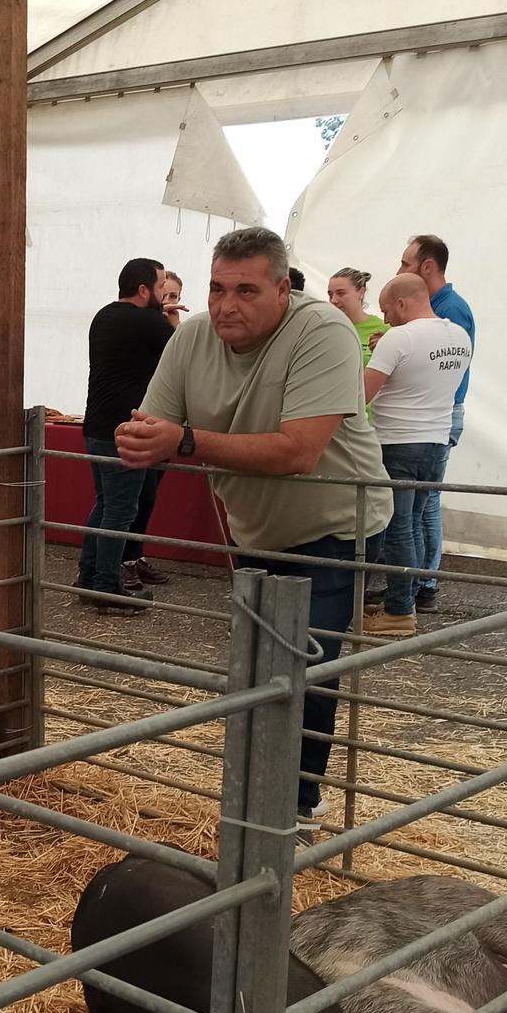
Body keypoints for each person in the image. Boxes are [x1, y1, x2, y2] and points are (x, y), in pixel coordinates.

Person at [115, 226, 389, 829]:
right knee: (257, 665)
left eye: (244, 290)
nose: (224, 306)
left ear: (284, 288)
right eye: (216, 288)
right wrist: (139, 435)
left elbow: (299, 451)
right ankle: (256, 794)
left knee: (304, 667)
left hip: (334, 524)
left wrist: (182, 440)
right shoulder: (191, 337)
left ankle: (293, 810)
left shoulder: (323, 331)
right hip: (256, 526)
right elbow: (153, 420)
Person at [362, 274, 470, 637]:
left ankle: (399, 612)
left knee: (398, 528)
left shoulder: (400, 338)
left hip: (398, 442)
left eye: (387, 309)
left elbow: (361, 393)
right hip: (436, 441)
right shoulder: (459, 336)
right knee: (419, 521)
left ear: (403, 303)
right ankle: (405, 598)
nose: (386, 317)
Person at [78, 258, 176, 612]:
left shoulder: (103, 315)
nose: (165, 292)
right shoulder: (148, 321)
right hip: (127, 429)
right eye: (162, 284)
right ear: (143, 289)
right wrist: (172, 319)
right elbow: (181, 354)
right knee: (120, 510)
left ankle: (88, 578)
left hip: (96, 426)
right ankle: (107, 587)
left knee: (104, 505)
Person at [394, 234, 474, 612]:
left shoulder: (450, 311)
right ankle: (411, 584)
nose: (400, 271)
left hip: (435, 415)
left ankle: (422, 583)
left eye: (407, 264)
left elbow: (443, 368)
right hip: (434, 415)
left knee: (423, 506)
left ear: (428, 267)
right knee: (419, 504)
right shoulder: (446, 308)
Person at [327, 268, 388, 360]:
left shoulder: (384, 330)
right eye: (330, 295)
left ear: (361, 292)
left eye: (341, 293)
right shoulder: (325, 328)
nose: (333, 300)